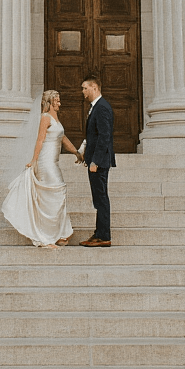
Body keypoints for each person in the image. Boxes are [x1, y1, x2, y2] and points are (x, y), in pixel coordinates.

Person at [1, 90, 82, 248]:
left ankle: (57, 233)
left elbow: (63, 138)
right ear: (50, 102)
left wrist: (76, 153)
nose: (60, 104)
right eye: (57, 101)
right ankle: (46, 236)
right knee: (55, 193)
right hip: (46, 163)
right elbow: (40, 139)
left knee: (58, 194)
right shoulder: (45, 117)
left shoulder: (55, 118)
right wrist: (34, 160)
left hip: (54, 162)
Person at [77, 74, 115, 247]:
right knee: (98, 199)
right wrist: (84, 151)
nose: (83, 91)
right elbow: (93, 134)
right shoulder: (96, 107)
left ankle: (104, 236)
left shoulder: (102, 107)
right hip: (94, 159)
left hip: (99, 162)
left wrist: (96, 161)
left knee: (101, 198)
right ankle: (99, 233)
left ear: (95, 87)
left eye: (85, 88)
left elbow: (104, 136)